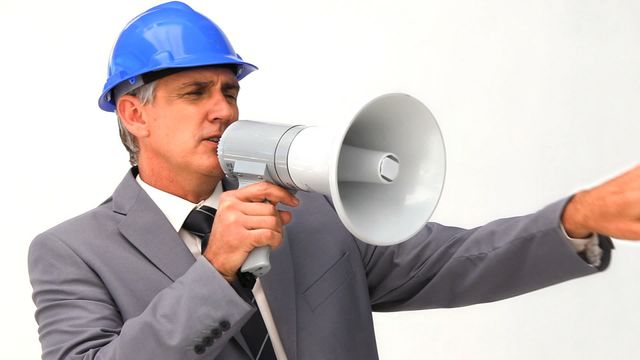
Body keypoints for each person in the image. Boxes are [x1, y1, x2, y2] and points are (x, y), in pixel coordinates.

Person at [27, 2, 640, 359]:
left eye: (230, 90)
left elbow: (452, 261)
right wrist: (214, 274)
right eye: (196, 93)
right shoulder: (73, 252)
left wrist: (578, 217)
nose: (225, 109)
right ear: (135, 113)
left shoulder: (311, 211)